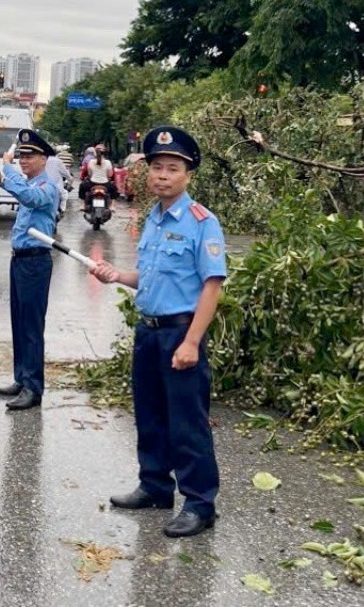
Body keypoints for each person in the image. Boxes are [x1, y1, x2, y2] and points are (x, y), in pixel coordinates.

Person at [90, 125, 227, 538]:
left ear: (188, 175)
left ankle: (200, 504)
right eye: (156, 167)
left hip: (179, 334)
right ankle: (154, 486)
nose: (162, 175)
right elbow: (150, 279)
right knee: (149, 415)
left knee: (187, 422)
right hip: (147, 332)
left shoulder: (203, 222)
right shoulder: (151, 218)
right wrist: (117, 275)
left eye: (172, 168)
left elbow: (212, 285)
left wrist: (190, 341)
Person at [0, 129, 60, 411]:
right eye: (21, 156)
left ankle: (33, 387)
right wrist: (9, 170)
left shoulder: (48, 187)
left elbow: (30, 198)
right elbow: (23, 189)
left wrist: (6, 177)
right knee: (18, 322)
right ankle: (21, 377)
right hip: (19, 259)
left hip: (36, 262)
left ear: (44, 159)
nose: (24, 160)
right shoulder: (30, 182)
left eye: (30, 156)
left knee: (32, 326)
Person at [44, 153, 72, 217]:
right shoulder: (58, 161)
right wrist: (70, 178)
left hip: (44, 187)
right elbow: (65, 173)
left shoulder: (43, 160)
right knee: (65, 195)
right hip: (57, 188)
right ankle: (62, 210)